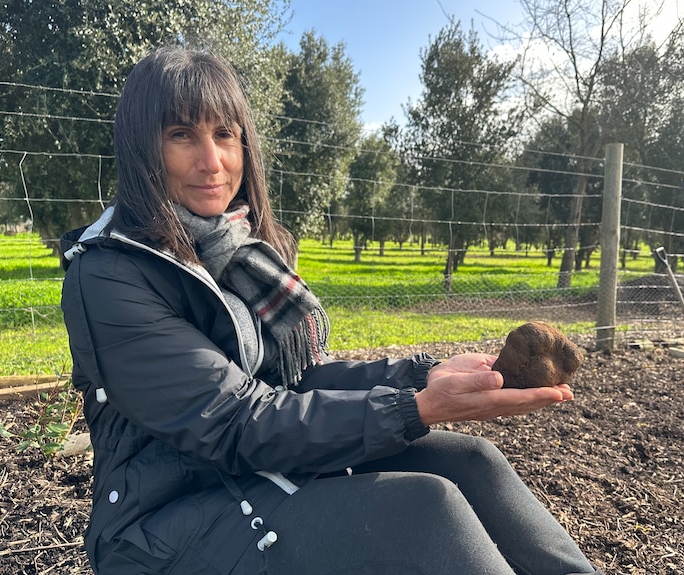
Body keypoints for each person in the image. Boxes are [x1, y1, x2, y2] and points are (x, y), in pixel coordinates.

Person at [61, 45, 603, 575]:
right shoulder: (111, 273)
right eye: (182, 135)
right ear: (141, 148)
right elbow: (233, 421)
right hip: (162, 526)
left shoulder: (240, 249)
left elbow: (294, 381)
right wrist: (415, 409)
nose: (213, 161)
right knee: (423, 511)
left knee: (471, 463)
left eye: (225, 134)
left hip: (254, 471)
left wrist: (423, 376)